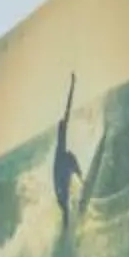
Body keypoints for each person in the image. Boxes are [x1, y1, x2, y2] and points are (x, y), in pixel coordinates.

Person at [52, 75, 83, 226]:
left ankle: (82, 180)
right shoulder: (59, 153)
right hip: (60, 188)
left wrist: (72, 85)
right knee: (70, 156)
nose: (64, 131)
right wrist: (59, 194)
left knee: (70, 156)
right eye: (62, 129)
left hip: (62, 185)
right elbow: (55, 176)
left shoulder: (61, 150)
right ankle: (65, 234)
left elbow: (67, 109)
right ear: (60, 133)